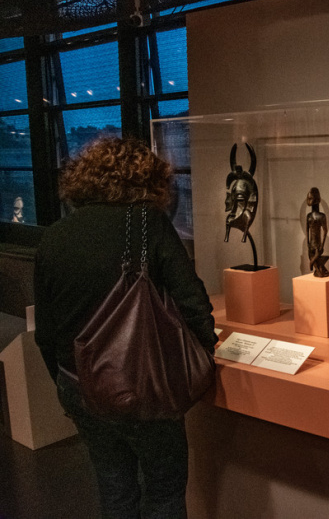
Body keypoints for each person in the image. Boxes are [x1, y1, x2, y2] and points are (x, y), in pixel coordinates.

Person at [34, 137, 217, 519]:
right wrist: (202, 358)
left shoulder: (55, 236)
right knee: (165, 490)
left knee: (115, 489)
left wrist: (68, 382)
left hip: (78, 384)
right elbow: (193, 302)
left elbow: (46, 332)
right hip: (141, 385)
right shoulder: (146, 223)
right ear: (148, 180)